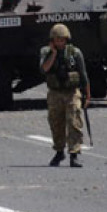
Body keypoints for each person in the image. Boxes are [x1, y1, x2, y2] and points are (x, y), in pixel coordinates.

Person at [40, 24, 90, 168]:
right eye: (57, 40)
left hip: (72, 92)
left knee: (74, 122)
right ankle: (59, 151)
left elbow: (83, 74)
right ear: (52, 40)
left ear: (66, 39)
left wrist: (87, 94)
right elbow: (44, 69)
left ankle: (74, 154)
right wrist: (54, 54)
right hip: (54, 93)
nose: (59, 42)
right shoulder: (46, 52)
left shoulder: (75, 53)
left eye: (62, 40)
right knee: (56, 123)